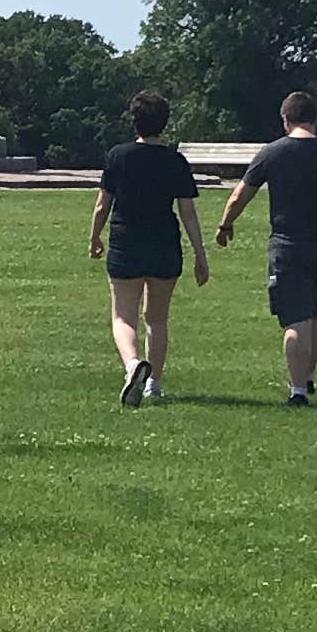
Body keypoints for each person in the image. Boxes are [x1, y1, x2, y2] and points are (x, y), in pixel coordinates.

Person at [213, 91, 317, 401]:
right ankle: (309, 374)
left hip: (287, 246)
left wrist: (226, 224)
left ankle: (298, 390)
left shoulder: (272, 153)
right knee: (316, 313)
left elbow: (239, 195)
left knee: (295, 320)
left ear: (285, 120)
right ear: (315, 120)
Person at [91, 91, 207, 404]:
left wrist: (95, 237)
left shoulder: (118, 156)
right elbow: (188, 213)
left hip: (126, 242)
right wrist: (200, 254)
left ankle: (132, 365)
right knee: (157, 319)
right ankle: (154, 382)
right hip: (165, 245)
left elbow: (103, 205)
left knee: (123, 317)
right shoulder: (175, 160)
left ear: (134, 120)